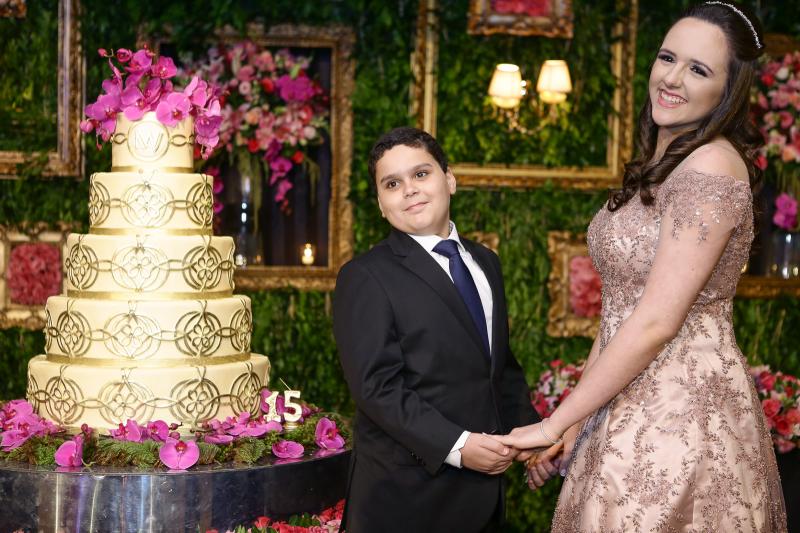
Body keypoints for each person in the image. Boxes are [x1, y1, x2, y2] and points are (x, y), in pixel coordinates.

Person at [497, 2, 788, 531]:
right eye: (667, 58)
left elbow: (656, 321)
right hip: (624, 403)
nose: (671, 79)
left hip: (681, 416)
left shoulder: (712, 165)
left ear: (727, 91)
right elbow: (619, 313)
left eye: (698, 69)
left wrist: (551, 424)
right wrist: (576, 423)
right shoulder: (662, 164)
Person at [332, 127, 556, 532]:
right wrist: (459, 446)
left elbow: (496, 367)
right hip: (405, 502)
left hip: (484, 500)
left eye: (421, 174)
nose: (409, 190)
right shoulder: (365, 276)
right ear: (380, 204)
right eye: (392, 184)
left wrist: (532, 438)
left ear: (449, 180)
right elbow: (377, 388)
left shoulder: (486, 261)